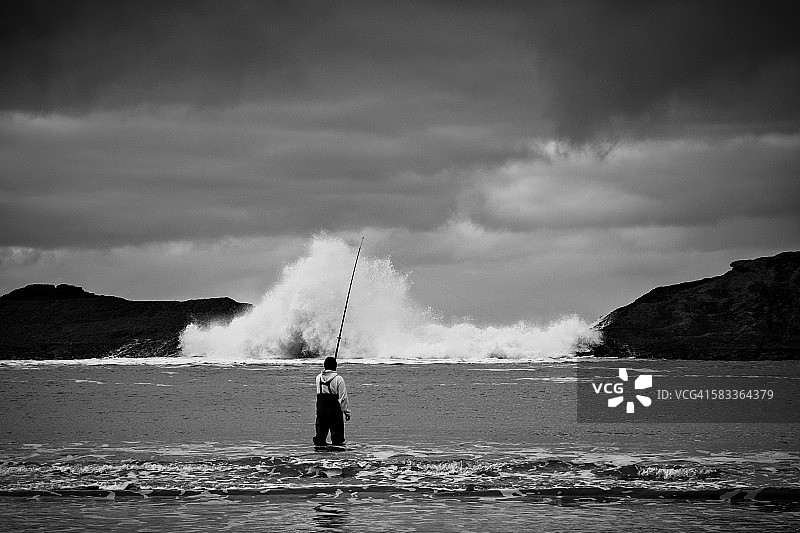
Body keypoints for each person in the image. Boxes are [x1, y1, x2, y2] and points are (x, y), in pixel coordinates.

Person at [313, 356, 351, 446]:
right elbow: (343, 398)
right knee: (337, 440)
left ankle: (320, 458)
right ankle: (335, 458)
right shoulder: (338, 379)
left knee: (320, 439)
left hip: (321, 411)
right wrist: (346, 412)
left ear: (324, 366)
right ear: (336, 366)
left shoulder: (318, 378)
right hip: (334, 412)